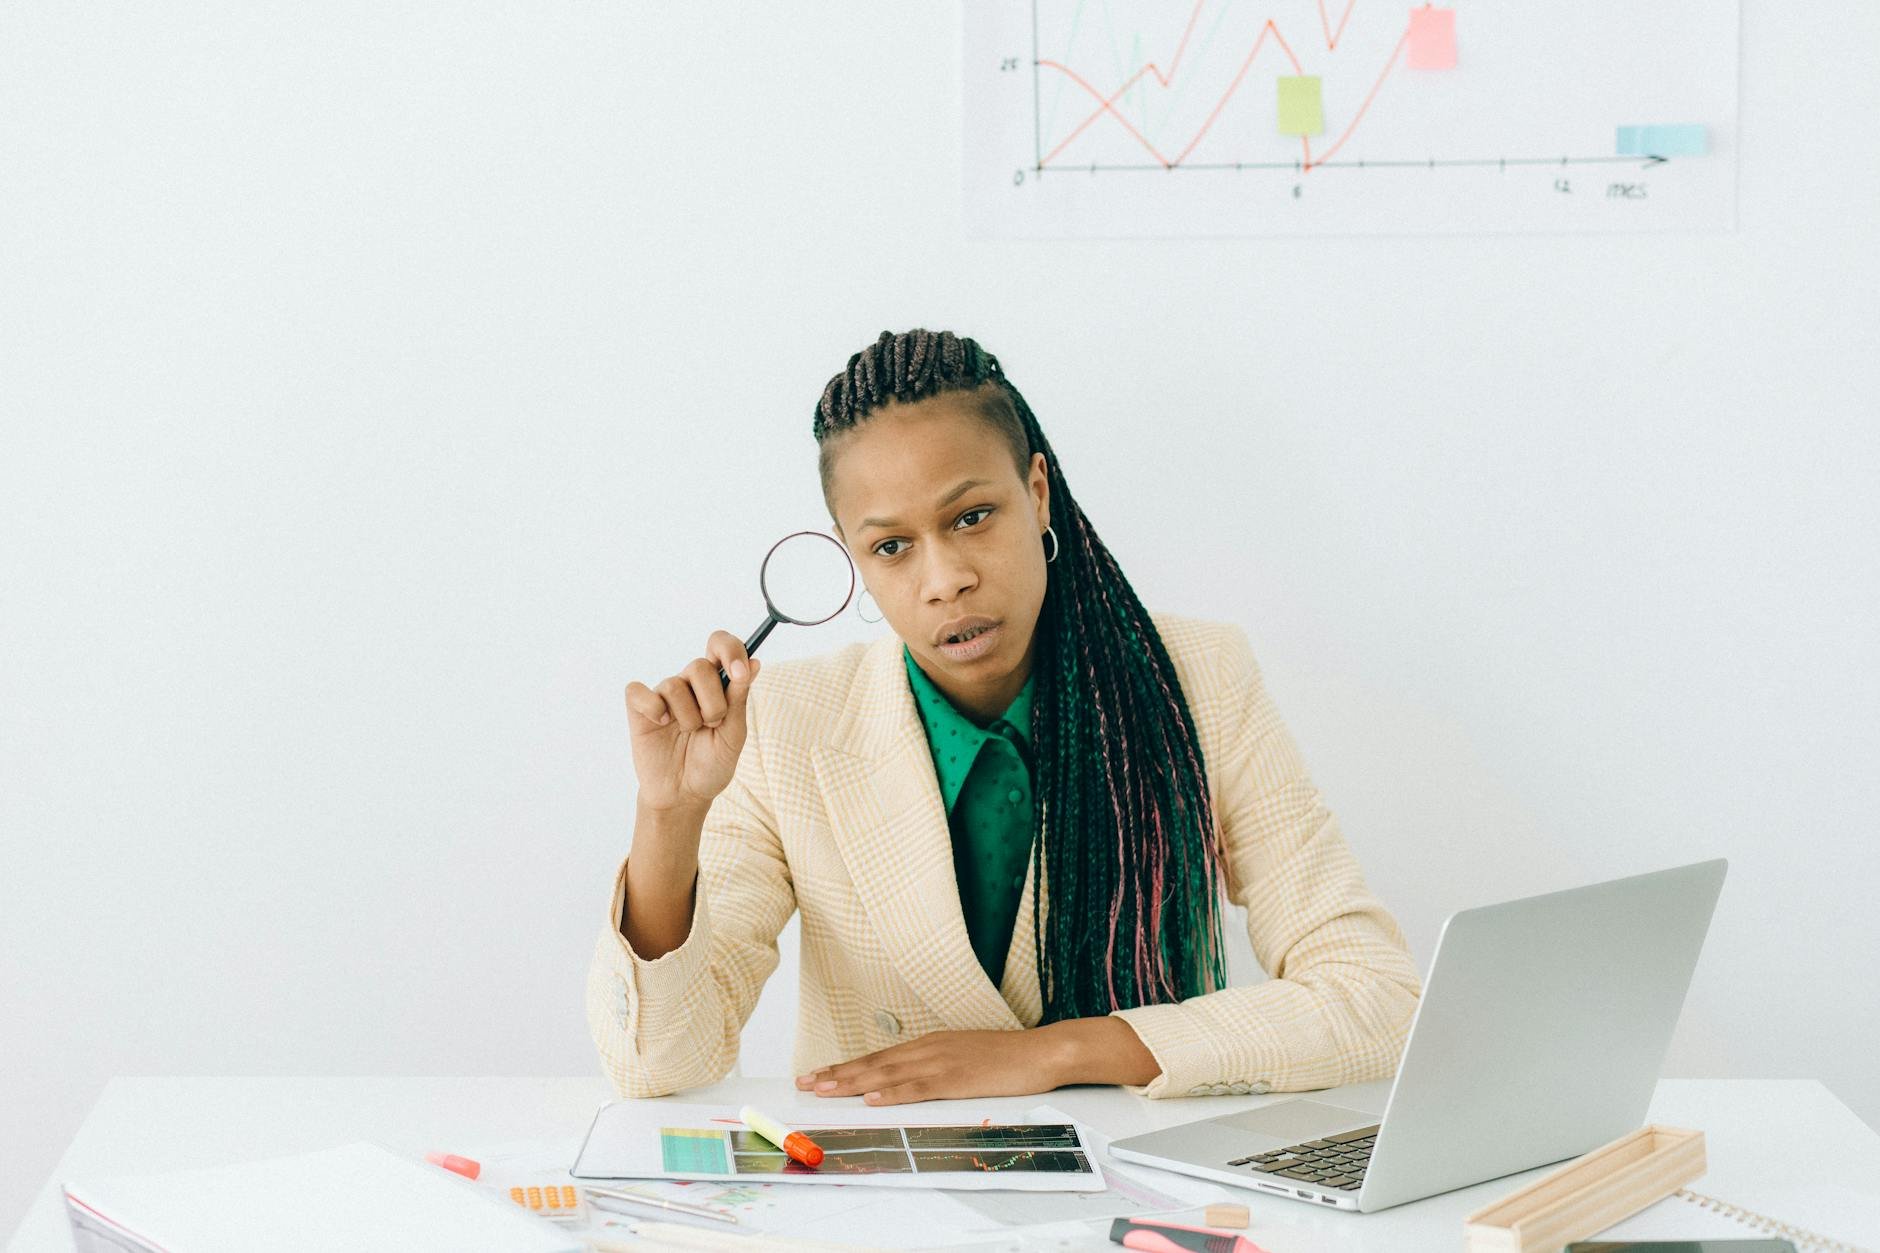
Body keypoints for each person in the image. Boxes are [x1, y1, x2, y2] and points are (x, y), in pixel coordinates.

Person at [587, 329, 1420, 1105]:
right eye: (892, 546)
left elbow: (1377, 997)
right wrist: (671, 812)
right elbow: (659, 1063)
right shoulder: (786, 727)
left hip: (1143, 1196)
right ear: (855, 561)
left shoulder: (1197, 678)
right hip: (889, 1202)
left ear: (1037, 490)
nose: (945, 578)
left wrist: (1057, 1052)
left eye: (972, 517)